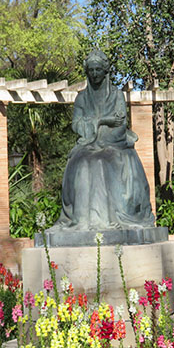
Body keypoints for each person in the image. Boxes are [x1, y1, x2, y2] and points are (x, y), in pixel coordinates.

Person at [50, 49, 155, 231]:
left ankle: (107, 219)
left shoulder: (116, 95)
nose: (95, 74)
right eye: (91, 70)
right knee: (82, 163)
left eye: (98, 69)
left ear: (105, 71)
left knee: (102, 162)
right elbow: (76, 124)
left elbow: (121, 124)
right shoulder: (82, 97)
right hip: (89, 144)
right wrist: (101, 121)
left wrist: (104, 136)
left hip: (115, 143)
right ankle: (83, 220)